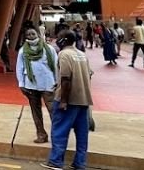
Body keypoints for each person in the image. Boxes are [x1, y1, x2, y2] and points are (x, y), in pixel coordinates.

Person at [43, 31, 93, 170]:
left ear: (64, 40)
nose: (56, 40)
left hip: (69, 100)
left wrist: (63, 100)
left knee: (59, 130)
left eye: (58, 38)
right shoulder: (82, 55)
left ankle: (56, 162)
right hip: (84, 100)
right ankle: (80, 163)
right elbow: (88, 75)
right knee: (82, 134)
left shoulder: (64, 54)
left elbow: (66, 79)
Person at [16, 27, 58, 144]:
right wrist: (21, 84)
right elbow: (19, 68)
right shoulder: (22, 51)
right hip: (31, 85)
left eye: (33, 33)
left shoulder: (49, 49)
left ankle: (57, 136)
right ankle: (41, 135)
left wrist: (57, 81)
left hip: (48, 84)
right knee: (36, 112)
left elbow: (55, 66)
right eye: (28, 34)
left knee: (53, 111)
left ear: (38, 34)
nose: (31, 36)